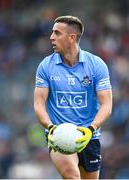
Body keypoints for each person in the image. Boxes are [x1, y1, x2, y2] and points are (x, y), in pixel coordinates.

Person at [34, 15, 112, 179]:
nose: (51, 37)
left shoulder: (96, 65)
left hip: (89, 136)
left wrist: (91, 129)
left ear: (71, 38)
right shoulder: (45, 66)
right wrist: (50, 127)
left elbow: (106, 105)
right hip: (59, 134)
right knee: (72, 176)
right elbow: (39, 104)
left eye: (57, 33)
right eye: (52, 33)